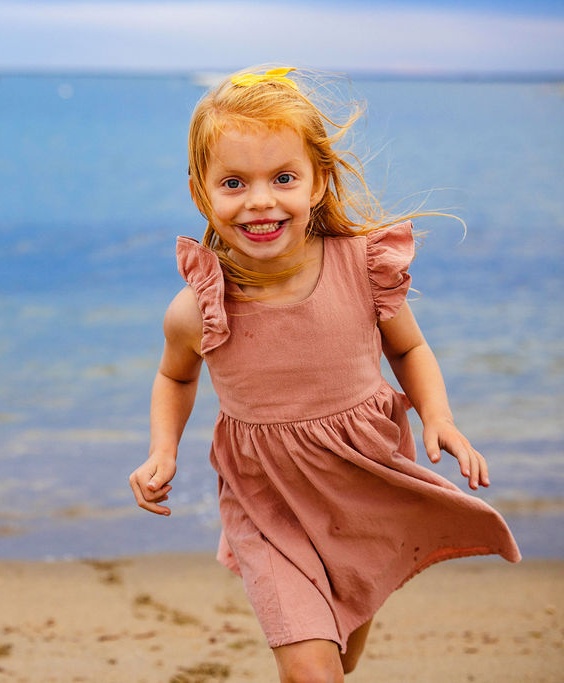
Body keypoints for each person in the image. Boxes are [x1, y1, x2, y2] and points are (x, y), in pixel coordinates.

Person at [128, 66, 520, 682]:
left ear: (317, 182)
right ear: (202, 193)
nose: (260, 200)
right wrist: (162, 450)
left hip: (362, 483)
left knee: (341, 653)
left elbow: (410, 350)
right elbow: (176, 378)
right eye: (234, 182)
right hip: (267, 502)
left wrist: (438, 417)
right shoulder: (199, 306)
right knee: (311, 670)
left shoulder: (362, 267)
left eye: (283, 178)